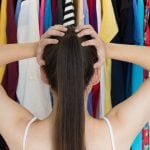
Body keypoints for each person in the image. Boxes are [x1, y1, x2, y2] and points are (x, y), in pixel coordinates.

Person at [0, 24, 150, 150]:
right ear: (96, 74)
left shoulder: (23, 134)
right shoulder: (116, 133)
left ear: (43, 74)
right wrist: (107, 48)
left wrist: (35, 48)